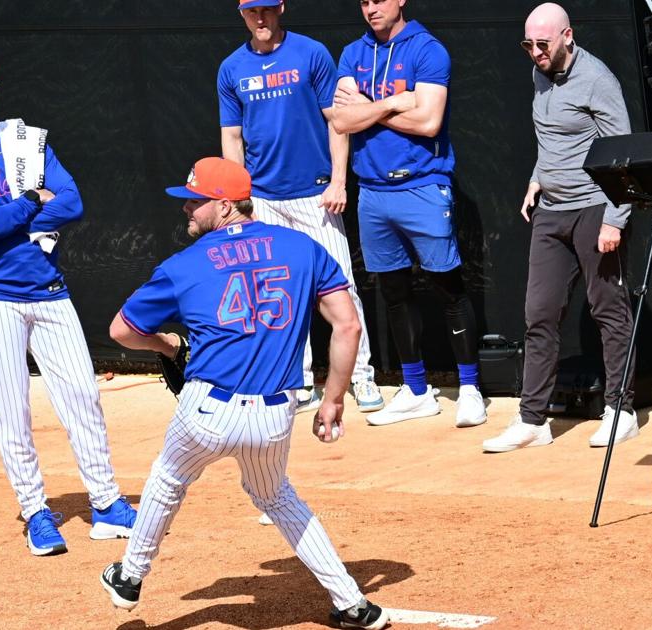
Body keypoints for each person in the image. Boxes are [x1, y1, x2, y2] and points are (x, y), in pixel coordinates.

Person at [98, 157, 388, 630]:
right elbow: (348, 323)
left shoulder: (184, 265)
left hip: (208, 411)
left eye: (196, 201)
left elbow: (122, 331)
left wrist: (167, 343)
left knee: (169, 480)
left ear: (227, 205)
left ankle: (129, 577)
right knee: (277, 497)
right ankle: (354, 603)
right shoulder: (302, 248)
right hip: (275, 415)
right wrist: (334, 397)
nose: (186, 208)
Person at [0, 57, 136, 554]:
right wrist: (31, 202)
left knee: (82, 395)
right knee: (12, 409)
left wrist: (6, 211)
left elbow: (73, 203)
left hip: (47, 288)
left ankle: (105, 503)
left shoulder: (26, 141)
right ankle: (36, 511)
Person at [483, 3, 637, 452]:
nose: (534, 53)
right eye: (527, 45)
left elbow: (621, 154)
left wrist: (615, 218)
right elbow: (552, 138)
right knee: (540, 314)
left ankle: (620, 410)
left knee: (608, 309)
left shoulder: (598, 80)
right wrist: (537, 177)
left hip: (593, 208)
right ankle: (533, 420)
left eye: (542, 44)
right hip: (551, 211)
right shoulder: (540, 72)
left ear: (567, 36)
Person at [218, 0, 383, 414]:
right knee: (277, 292)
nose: (260, 18)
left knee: (340, 286)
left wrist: (339, 181)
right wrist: (240, 199)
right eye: (251, 11)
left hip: (316, 194)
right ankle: (299, 380)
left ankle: (360, 377)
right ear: (241, 15)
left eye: (266, 9)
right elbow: (233, 139)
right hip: (263, 200)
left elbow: (338, 120)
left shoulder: (311, 53)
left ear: (280, 9)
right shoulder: (231, 68)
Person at [330, 0, 486, 428]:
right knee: (394, 292)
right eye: (363, 2)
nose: (370, 9)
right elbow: (342, 120)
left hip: (423, 185)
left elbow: (430, 121)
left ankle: (471, 389)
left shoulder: (427, 49)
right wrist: (396, 102)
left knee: (448, 287)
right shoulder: (353, 53)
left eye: (378, 0)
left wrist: (369, 107)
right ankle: (416, 390)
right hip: (373, 192)